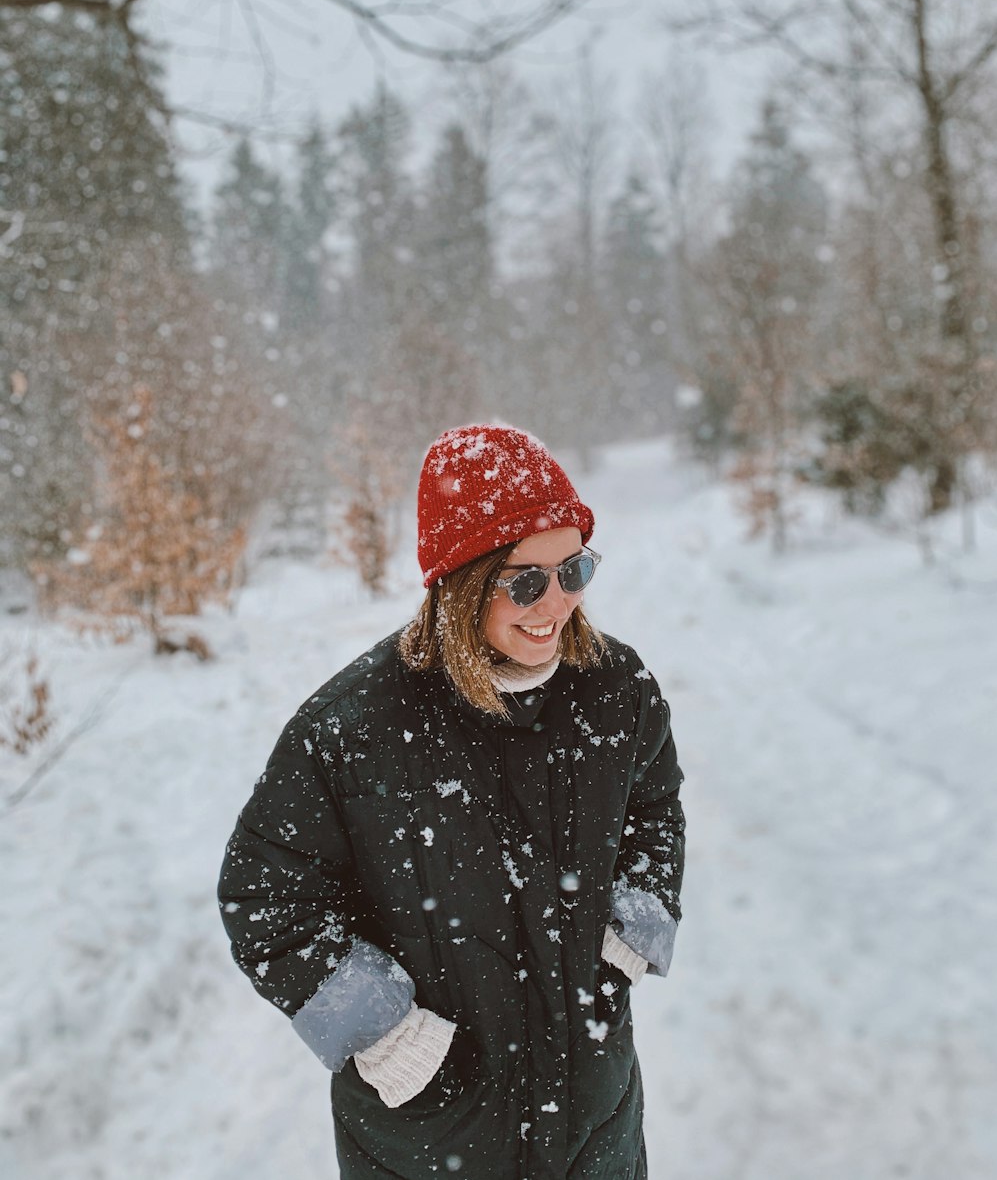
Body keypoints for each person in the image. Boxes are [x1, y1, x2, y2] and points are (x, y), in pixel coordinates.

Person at [218, 424, 685, 1180]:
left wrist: (631, 925)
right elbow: (265, 894)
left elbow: (655, 807)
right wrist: (381, 1028)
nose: (555, 603)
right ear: (460, 581)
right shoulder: (353, 730)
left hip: (593, 1122)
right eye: (524, 580)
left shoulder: (615, 688)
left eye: (574, 569)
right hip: (430, 1143)